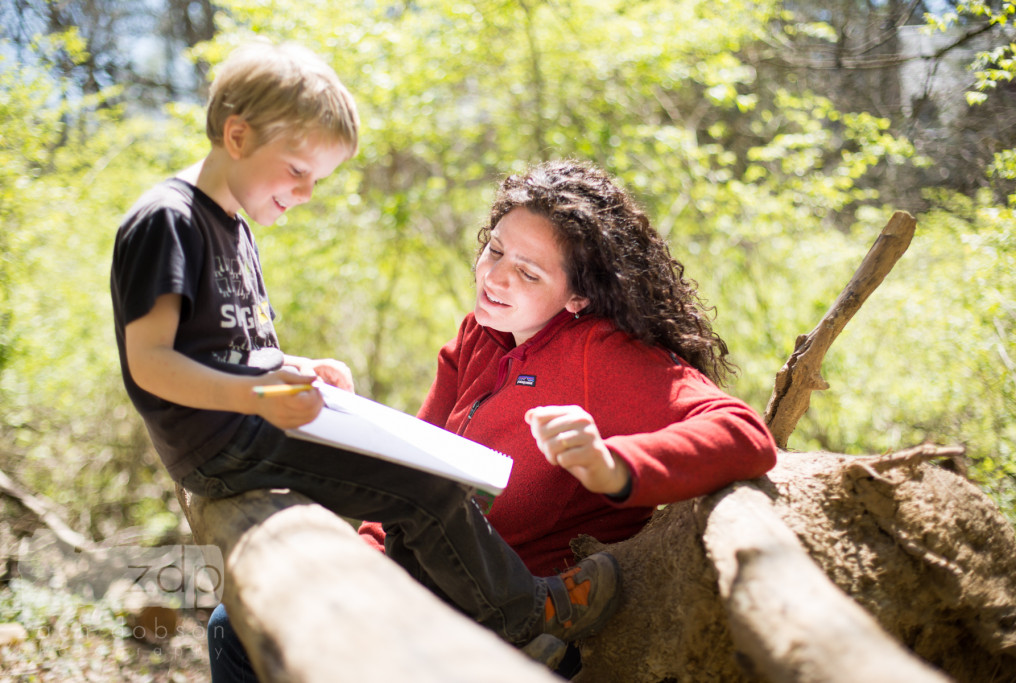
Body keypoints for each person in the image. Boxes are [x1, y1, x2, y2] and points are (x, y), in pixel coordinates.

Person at [110, 44, 622, 681]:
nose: (305, 193)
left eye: (316, 179)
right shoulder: (169, 220)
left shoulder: (232, 225)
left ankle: (469, 615)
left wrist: (296, 366)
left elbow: (223, 347)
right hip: (222, 442)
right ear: (237, 136)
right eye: (297, 170)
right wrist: (260, 398)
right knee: (428, 491)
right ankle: (528, 619)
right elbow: (151, 364)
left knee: (412, 473)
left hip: (245, 426)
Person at [207, 159, 778, 678]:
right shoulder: (478, 335)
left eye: (529, 273)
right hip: (422, 584)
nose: (496, 276)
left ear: (578, 295)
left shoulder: (600, 353)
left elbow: (743, 433)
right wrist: (345, 428)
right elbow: (417, 462)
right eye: (495, 250)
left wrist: (611, 466)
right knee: (234, 624)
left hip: (527, 623)